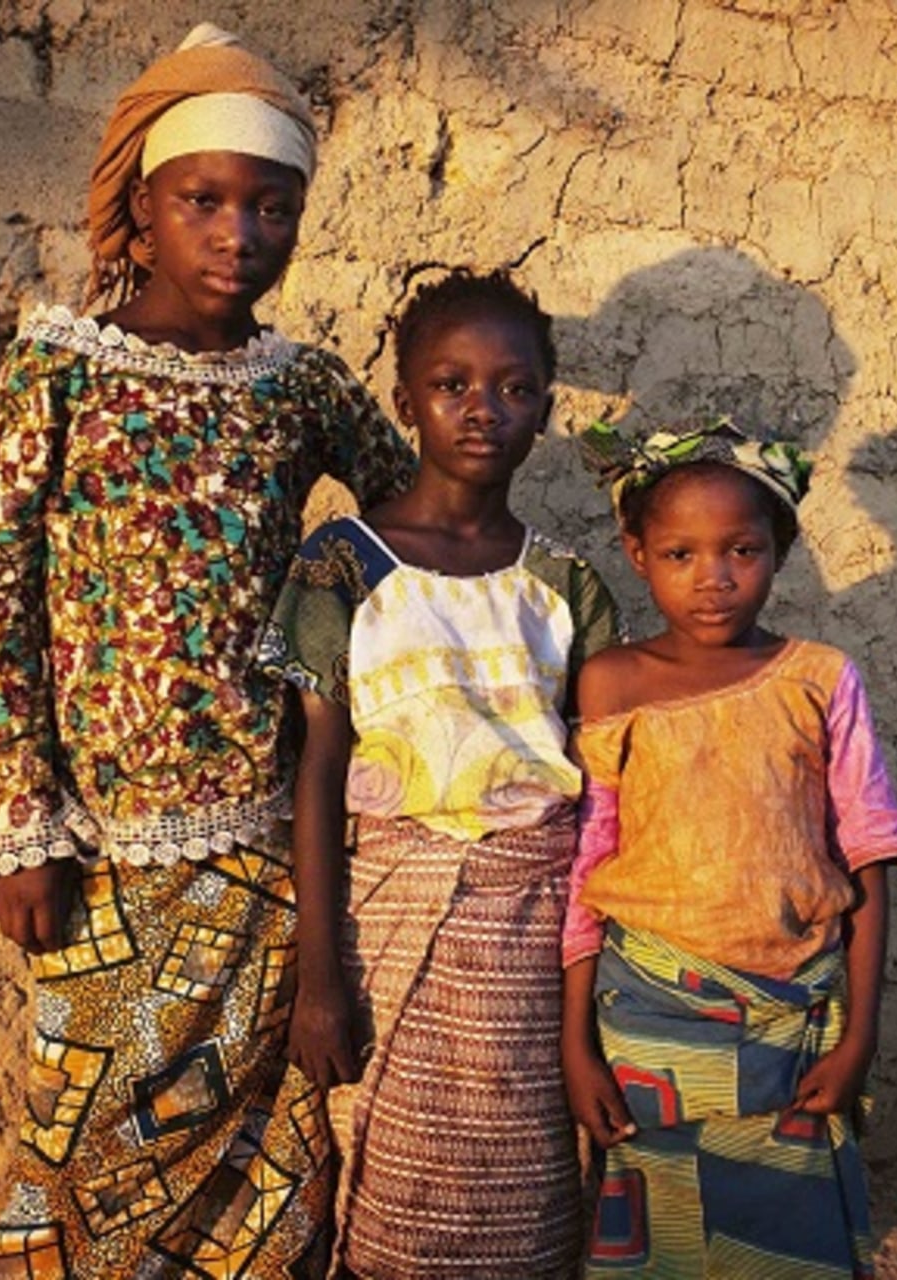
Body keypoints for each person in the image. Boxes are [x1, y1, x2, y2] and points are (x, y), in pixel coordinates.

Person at [0, 24, 416, 1278]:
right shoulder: (60, 368)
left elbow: (418, 519)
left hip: (271, 842)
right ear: (140, 211)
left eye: (273, 206)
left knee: (261, 1137)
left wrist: (350, 616)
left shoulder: (301, 386)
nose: (240, 233)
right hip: (104, 847)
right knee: (91, 1125)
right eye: (204, 201)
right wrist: (24, 818)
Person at [260, 268, 620, 1278]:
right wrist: (322, 977)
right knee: (394, 1187)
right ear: (405, 396)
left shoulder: (563, 584)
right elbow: (321, 770)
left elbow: (598, 786)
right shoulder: (344, 564)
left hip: (532, 931)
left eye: (513, 387)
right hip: (390, 921)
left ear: (545, 407)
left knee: (529, 1180)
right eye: (452, 383)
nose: (482, 409)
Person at [560, 420, 897, 1277]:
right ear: (637, 553)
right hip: (650, 1014)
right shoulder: (613, 681)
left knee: (790, 1239)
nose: (713, 579)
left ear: (779, 551)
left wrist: (858, 1035)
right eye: (681, 554)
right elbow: (587, 868)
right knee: (663, 1237)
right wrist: (577, 1044)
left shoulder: (820, 677)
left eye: (741, 551)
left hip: (790, 1018)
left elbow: (868, 857)